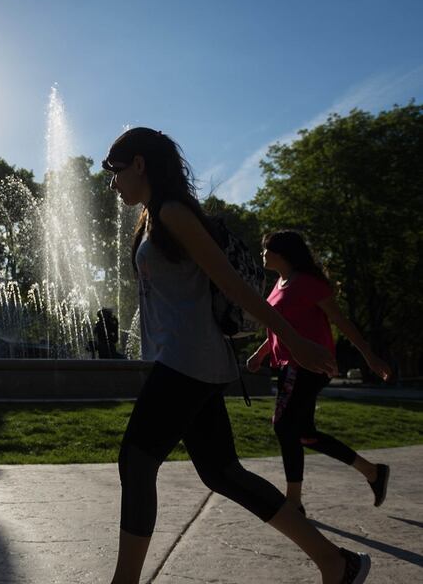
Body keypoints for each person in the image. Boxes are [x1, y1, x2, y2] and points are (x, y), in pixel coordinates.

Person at [103, 127, 369, 584]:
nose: (112, 182)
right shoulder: (150, 218)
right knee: (222, 473)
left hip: (188, 361)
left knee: (136, 461)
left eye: (115, 170)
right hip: (193, 362)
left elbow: (233, 284)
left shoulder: (172, 212)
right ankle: (335, 562)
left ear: (140, 164)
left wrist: (294, 341)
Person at [247, 230, 392, 516]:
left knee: (284, 426)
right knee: (303, 433)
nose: (262, 253)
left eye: (266, 249)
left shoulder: (308, 283)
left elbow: (341, 320)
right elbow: (281, 327)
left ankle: (294, 502)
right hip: (291, 365)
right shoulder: (279, 283)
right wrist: (261, 354)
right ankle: (372, 472)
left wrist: (370, 356)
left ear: (281, 253)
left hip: (310, 365)